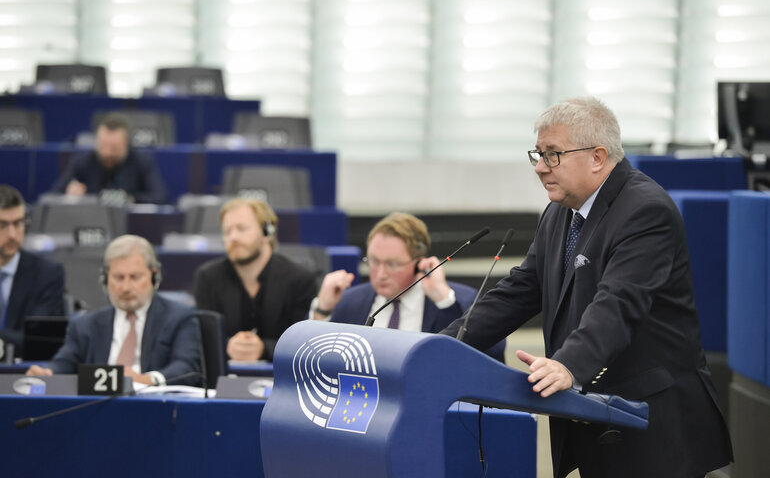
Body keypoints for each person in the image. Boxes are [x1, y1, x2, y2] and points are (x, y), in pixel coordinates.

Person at [441, 97, 732, 477]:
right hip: (598, 416)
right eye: (539, 154)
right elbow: (520, 291)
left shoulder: (645, 210)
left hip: (652, 423)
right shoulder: (560, 211)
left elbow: (618, 302)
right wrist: (439, 345)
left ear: (597, 156)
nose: (541, 167)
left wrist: (568, 364)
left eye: (554, 154)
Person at [313, 212, 505, 361]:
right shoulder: (351, 302)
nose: (380, 274)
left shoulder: (462, 301)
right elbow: (320, 359)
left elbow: (493, 356)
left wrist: (444, 301)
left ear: (418, 263)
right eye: (373, 261)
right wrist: (323, 311)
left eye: (392, 264)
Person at [27, 235, 200, 386]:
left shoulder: (179, 318)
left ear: (154, 276)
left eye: (135, 277)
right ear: (105, 280)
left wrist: (146, 380)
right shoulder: (85, 325)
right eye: (118, 277)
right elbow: (64, 363)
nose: (125, 287)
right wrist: (48, 374)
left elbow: (186, 366)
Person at [193, 198, 317, 362]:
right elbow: (201, 338)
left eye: (242, 229)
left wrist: (264, 349)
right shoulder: (208, 277)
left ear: (267, 232)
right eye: (227, 231)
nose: (233, 237)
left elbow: (305, 344)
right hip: (225, 378)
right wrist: (227, 345)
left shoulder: (300, 279)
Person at [0, 185, 65, 355]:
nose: (12, 234)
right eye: (3, 225)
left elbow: (39, 342)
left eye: (18, 223)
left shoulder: (48, 274)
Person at [52, 112, 167, 204]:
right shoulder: (83, 162)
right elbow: (52, 196)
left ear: (126, 144)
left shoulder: (142, 162)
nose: (108, 153)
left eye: (114, 148)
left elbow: (160, 197)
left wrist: (133, 200)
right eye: (103, 146)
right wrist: (68, 195)